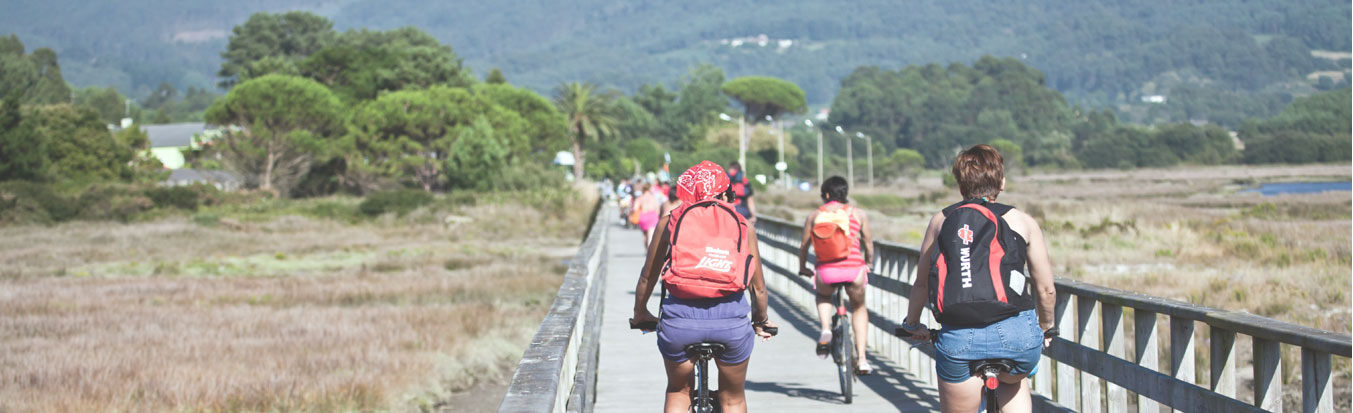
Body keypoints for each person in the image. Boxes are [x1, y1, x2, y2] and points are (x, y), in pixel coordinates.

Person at [900, 144, 1058, 413]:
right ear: (1002, 182)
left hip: (959, 338)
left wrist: (912, 323)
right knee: (1013, 381)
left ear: (961, 185)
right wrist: (1046, 328)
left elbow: (922, 283)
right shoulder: (1022, 221)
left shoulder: (941, 220)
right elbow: (1046, 290)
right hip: (1017, 337)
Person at [631, 161, 777, 413]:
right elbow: (759, 288)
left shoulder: (670, 221)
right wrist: (761, 320)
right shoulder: (743, 224)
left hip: (680, 323)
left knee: (678, 391)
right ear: (724, 192)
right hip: (730, 323)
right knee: (733, 398)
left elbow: (647, 277)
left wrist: (641, 313)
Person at [796, 176, 875, 375]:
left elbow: (804, 246)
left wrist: (803, 267)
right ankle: (863, 359)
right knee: (858, 307)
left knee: (823, 295)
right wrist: (869, 264)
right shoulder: (858, 214)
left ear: (827, 194)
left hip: (826, 272)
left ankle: (825, 329)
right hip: (854, 269)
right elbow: (868, 244)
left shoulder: (815, 216)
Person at [635, 182, 664, 246]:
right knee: (650, 235)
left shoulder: (640, 198)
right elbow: (657, 209)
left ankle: (646, 249)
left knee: (644, 235)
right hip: (652, 216)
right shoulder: (653, 197)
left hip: (643, 216)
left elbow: (635, 208)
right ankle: (649, 252)